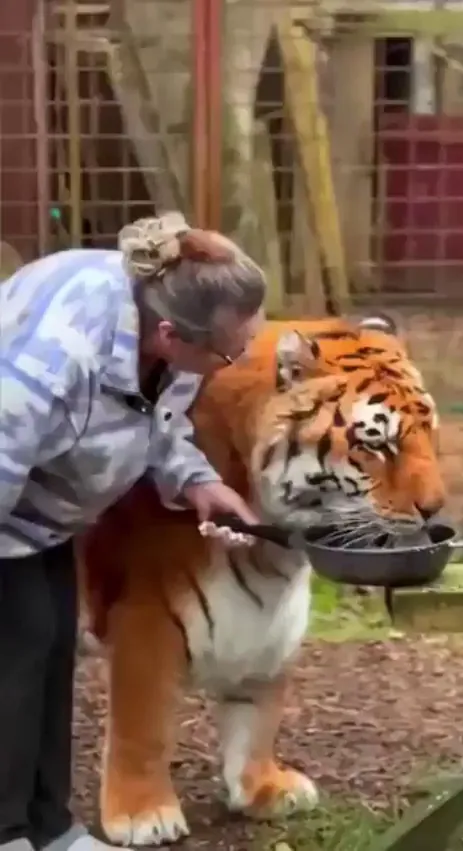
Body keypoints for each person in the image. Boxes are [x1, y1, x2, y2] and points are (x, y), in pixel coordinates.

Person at [0, 211, 266, 851]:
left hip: (46, 513)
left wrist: (199, 483)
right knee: (17, 653)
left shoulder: (166, 335)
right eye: (230, 353)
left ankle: (49, 825)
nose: (237, 362)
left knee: (53, 647)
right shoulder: (49, 362)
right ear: (172, 335)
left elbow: (159, 423)